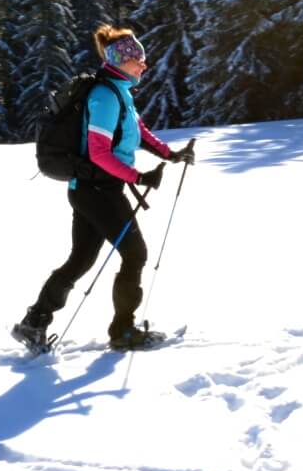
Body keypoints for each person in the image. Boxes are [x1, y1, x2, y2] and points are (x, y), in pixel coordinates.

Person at [13, 25, 195, 352]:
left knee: (81, 259)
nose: (144, 64)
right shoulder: (105, 96)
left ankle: (34, 323)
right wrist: (138, 177)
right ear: (121, 61)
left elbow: (138, 131)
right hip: (97, 191)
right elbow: (99, 153)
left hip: (93, 190)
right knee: (135, 254)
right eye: (138, 59)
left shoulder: (119, 91)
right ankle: (123, 332)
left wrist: (171, 154)